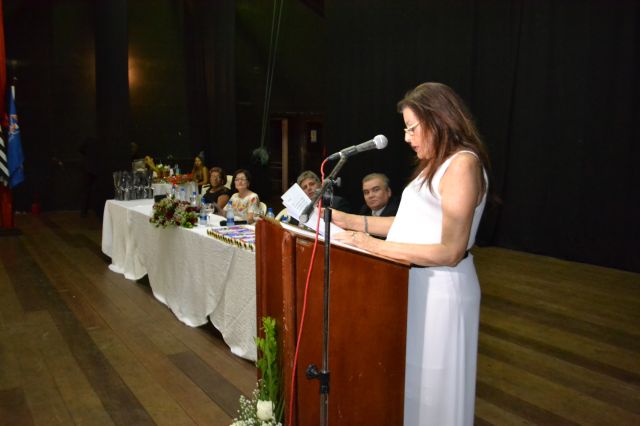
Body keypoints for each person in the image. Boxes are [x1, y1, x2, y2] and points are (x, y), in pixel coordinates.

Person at [332, 82, 490, 426]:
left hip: (442, 289)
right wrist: (345, 220)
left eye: (411, 128)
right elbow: (408, 225)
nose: (406, 137)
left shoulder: (462, 165)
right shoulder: (433, 164)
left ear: (439, 120)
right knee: (414, 386)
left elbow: (451, 250)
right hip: (416, 283)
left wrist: (372, 245)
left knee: (437, 392)